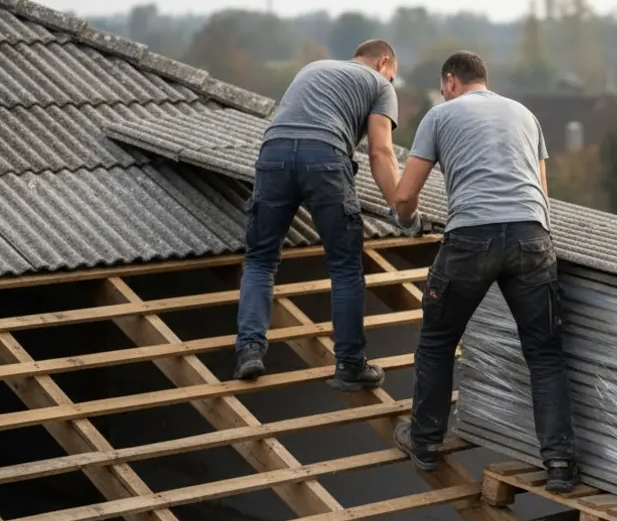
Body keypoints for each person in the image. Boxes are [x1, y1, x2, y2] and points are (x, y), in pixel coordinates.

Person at [391, 51, 579, 493]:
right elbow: (542, 195)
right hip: (532, 237)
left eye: (443, 88)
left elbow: (404, 197)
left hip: (470, 239)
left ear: (451, 81)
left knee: (437, 343)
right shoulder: (525, 115)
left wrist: (407, 222)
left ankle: (424, 443)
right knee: (545, 353)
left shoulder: (440, 116)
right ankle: (561, 465)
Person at [232, 39, 401, 391]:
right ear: (384, 62)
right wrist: (401, 207)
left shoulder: (312, 68)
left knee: (261, 260)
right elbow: (381, 151)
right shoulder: (379, 84)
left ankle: (249, 350)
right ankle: (350, 366)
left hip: (274, 152)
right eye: (393, 76)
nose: (392, 83)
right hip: (324, 156)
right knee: (344, 267)